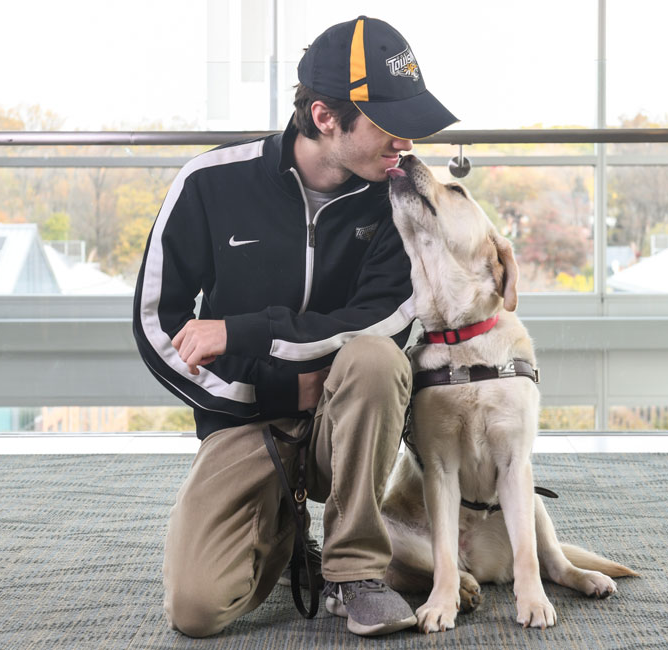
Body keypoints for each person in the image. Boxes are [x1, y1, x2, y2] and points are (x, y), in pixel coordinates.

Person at [132, 16, 457, 638]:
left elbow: (385, 319)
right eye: (392, 124)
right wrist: (269, 389)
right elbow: (155, 322)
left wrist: (248, 330)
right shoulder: (209, 182)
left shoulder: (398, 198)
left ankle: (354, 572)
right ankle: (285, 537)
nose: (407, 144)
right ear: (326, 117)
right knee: (196, 610)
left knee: (376, 359)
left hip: (348, 416)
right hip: (246, 418)